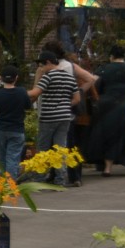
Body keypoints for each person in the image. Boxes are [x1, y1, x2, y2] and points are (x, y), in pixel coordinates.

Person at [43, 40, 96, 185]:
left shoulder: (47, 67)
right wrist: (78, 92)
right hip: (69, 107)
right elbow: (91, 79)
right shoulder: (71, 66)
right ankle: (75, 176)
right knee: (71, 143)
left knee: (54, 143)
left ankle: (54, 174)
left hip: (52, 108)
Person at [28, 50, 79, 187]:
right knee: (60, 148)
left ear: (49, 63)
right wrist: (63, 105)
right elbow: (77, 98)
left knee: (43, 148)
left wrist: (18, 92)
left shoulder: (48, 76)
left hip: (48, 117)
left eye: (41, 65)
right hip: (65, 117)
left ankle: (39, 178)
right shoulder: (69, 77)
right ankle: (60, 180)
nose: (41, 68)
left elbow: (35, 93)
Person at [87, 45, 125, 176]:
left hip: (107, 105)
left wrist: (95, 96)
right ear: (123, 56)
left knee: (109, 135)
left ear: (111, 56)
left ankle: (107, 169)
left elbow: (92, 81)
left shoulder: (103, 69)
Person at [0, 64, 31, 179]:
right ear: (16, 78)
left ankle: (1, 182)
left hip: (1, 129)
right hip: (17, 129)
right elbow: (28, 106)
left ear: (1, 78)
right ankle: (10, 184)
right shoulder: (22, 92)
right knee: (13, 157)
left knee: (2, 157)